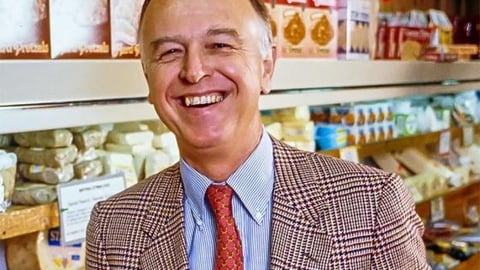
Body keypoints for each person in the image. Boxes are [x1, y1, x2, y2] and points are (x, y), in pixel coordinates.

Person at [86, 0, 430, 269]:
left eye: (219, 45)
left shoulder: (371, 204)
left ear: (267, 67)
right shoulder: (114, 226)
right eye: (170, 52)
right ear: (148, 77)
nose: (194, 71)